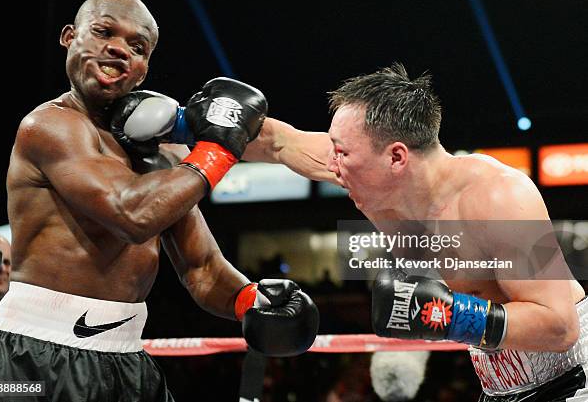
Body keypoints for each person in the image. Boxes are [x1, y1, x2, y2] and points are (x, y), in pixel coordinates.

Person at [0, 0, 318, 402]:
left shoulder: (161, 158)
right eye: (104, 32)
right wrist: (218, 151)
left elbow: (203, 268)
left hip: (124, 356)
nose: (119, 48)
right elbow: (130, 213)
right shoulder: (48, 126)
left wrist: (249, 300)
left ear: (144, 69)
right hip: (31, 355)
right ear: (70, 37)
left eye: (137, 47)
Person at [238, 63, 586, 401]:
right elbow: (277, 142)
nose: (331, 165)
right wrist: (187, 128)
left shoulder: (498, 197)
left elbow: (560, 326)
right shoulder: (368, 171)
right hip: (500, 385)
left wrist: (451, 316)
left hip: (574, 378)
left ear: (396, 158)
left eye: (341, 152)